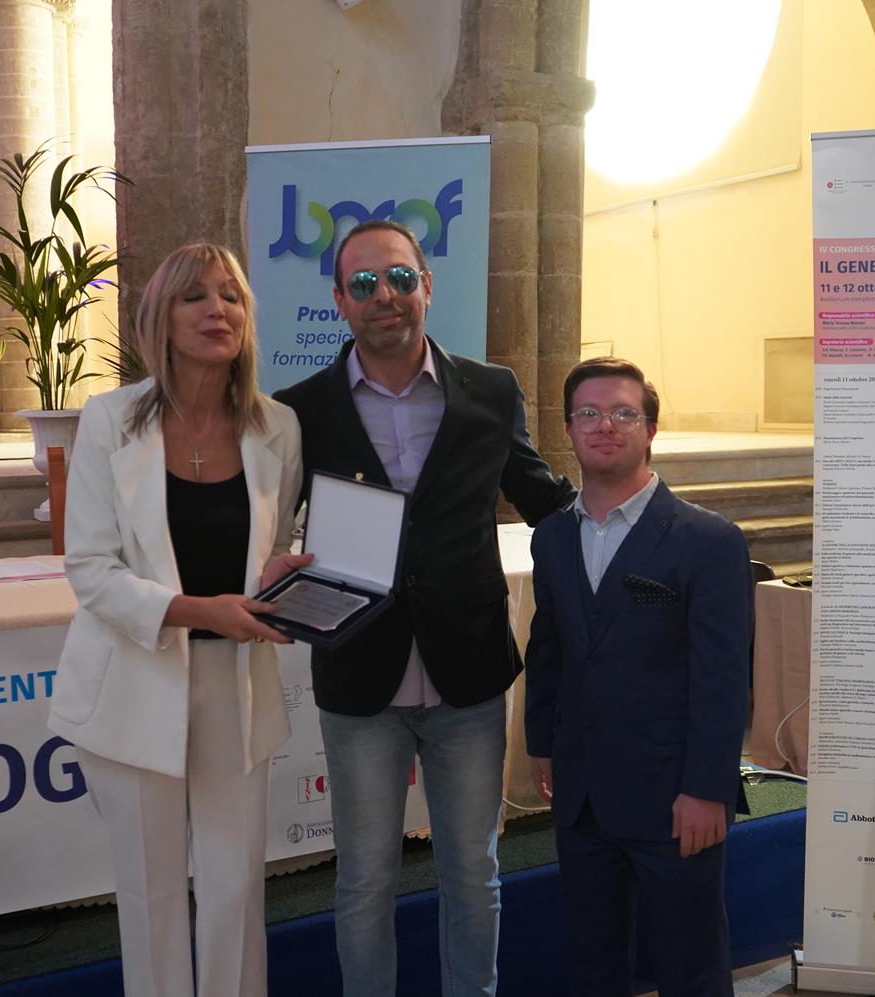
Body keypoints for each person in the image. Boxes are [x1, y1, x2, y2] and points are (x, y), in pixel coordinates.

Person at [274, 219, 576, 997]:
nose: (386, 296)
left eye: (401, 278)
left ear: (428, 287)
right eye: (365, 283)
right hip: (360, 678)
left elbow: (541, 495)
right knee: (364, 880)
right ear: (340, 300)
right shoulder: (299, 410)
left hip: (467, 678)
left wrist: (633, 522)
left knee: (473, 872)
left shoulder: (491, 390)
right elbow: (264, 529)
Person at [48, 243, 311, 997]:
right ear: (160, 318)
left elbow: (276, 544)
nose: (216, 311)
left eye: (231, 297)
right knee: (153, 898)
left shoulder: (278, 426)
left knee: (235, 891)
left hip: (237, 683)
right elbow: (90, 568)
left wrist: (283, 576)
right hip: (134, 681)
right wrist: (199, 610)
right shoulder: (110, 420)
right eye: (195, 296)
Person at [523, 357, 752, 997]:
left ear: (650, 428)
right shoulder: (552, 537)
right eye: (589, 413)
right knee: (593, 965)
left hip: (676, 797)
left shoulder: (708, 540)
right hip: (582, 794)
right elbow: (550, 648)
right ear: (567, 429)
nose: (605, 426)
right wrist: (541, 743)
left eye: (624, 413)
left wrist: (707, 788)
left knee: (691, 969)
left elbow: (723, 678)